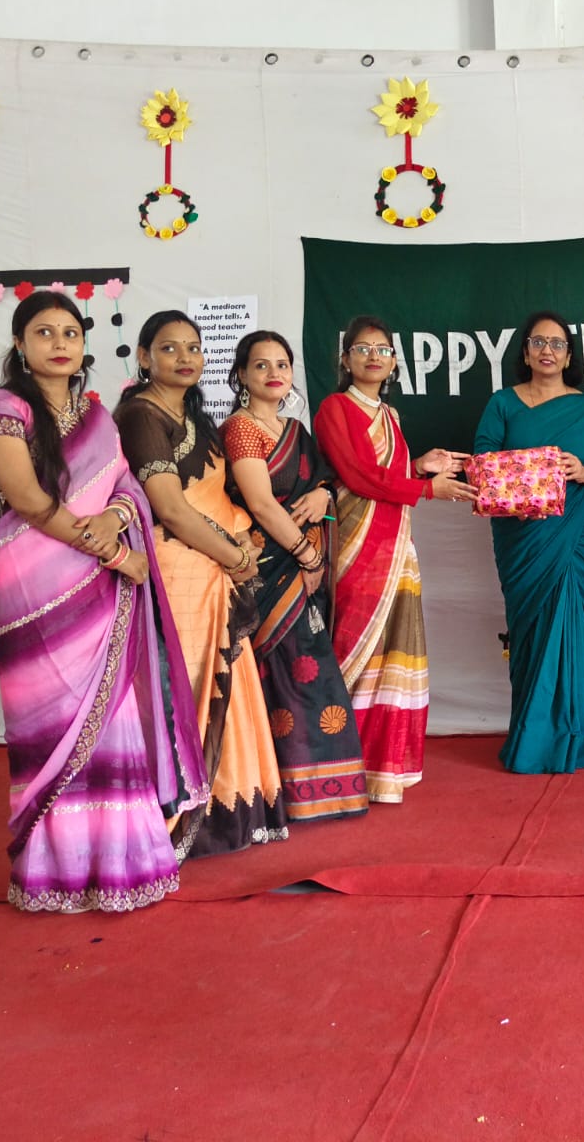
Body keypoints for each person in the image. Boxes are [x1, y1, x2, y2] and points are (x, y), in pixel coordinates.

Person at [0, 290, 207, 912]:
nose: (60, 344)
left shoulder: (99, 417)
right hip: (37, 583)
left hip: (100, 586)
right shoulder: (1, 408)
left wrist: (117, 520)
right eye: (44, 333)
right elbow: (27, 498)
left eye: (70, 333)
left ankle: (121, 864)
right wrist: (113, 552)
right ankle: (57, 871)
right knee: (49, 720)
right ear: (20, 344)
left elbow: (129, 486)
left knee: (114, 717)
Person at [114, 313, 289, 855]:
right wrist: (235, 555)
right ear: (144, 357)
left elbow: (218, 498)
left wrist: (242, 543)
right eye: (170, 349)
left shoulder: (193, 414)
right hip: (178, 569)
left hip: (211, 562)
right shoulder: (141, 415)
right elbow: (169, 508)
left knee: (223, 686)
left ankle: (227, 813)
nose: (186, 358)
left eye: (193, 347)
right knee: (188, 689)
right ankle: (177, 821)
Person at [473, 310, 584, 774]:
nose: (547, 351)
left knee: (575, 632)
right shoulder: (502, 404)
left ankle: (574, 732)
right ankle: (531, 735)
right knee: (531, 636)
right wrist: (524, 486)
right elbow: (483, 463)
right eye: (538, 342)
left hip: (574, 539)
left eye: (557, 344)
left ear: (570, 356)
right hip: (521, 540)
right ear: (525, 352)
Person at [312, 316, 474, 803]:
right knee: (352, 644)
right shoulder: (335, 408)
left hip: (397, 548)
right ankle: (333, 764)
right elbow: (359, 477)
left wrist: (420, 465)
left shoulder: (390, 415)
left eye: (382, 350)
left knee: (391, 653)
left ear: (394, 361)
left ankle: (380, 771)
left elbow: (389, 474)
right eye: (362, 349)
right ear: (345, 359)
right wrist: (427, 488)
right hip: (358, 547)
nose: (373, 357)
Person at [222, 330, 371, 822]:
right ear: (242, 375)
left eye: (282, 364)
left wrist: (324, 494)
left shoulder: (295, 430)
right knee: (289, 674)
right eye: (261, 365)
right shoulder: (241, 429)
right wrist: (308, 557)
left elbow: (323, 480)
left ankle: (316, 790)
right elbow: (262, 504)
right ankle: (285, 794)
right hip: (269, 567)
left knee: (309, 669)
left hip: (302, 564)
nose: (274, 373)